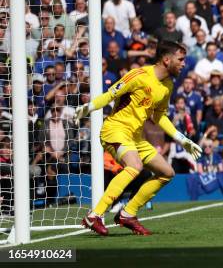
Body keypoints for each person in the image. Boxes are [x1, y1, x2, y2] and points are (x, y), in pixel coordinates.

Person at [76, 41, 201, 236]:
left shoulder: (167, 85)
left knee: (167, 172)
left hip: (135, 137)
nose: (184, 63)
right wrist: (89, 107)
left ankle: (128, 213)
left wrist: (181, 138)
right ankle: (95, 215)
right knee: (134, 166)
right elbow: (110, 95)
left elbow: (159, 115)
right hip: (114, 130)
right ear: (167, 60)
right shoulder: (139, 75)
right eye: (181, 59)